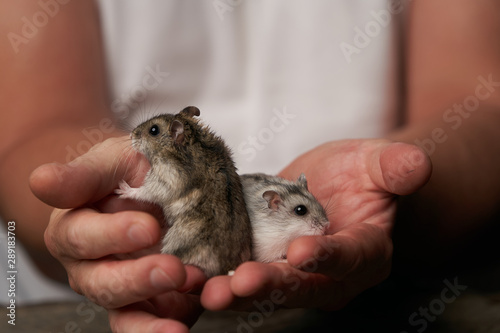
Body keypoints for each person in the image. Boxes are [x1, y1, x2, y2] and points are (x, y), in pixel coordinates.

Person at [1, 0, 499, 332]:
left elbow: (477, 99)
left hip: (397, 289)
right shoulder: (182, 172)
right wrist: (100, 208)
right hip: (73, 308)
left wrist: (394, 190)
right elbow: (34, 127)